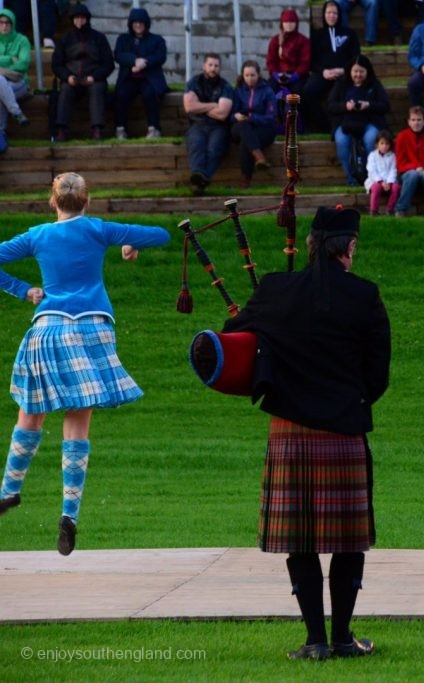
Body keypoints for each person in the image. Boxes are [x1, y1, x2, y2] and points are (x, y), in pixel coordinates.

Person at [221, 206, 390, 660]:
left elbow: (232, 338)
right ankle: (342, 638)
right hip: (343, 428)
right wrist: (347, 403)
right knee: (347, 538)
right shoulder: (365, 295)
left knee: (300, 537)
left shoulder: (275, 289)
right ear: (349, 247)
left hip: (290, 431)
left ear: (312, 244)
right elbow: (379, 375)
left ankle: (315, 641)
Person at [0, 172, 170, 555]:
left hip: (48, 329)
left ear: (52, 202)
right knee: (77, 424)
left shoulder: (38, 235)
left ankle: (9, 491)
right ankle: (69, 516)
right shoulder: (98, 229)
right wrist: (127, 241)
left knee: (30, 414)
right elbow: (161, 235)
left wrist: (23, 289)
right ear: (87, 201)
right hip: (93, 329)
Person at [51, 3, 113, 141]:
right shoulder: (65, 39)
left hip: (94, 78)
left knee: (97, 90)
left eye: (82, 18)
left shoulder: (99, 38)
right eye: (76, 18)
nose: (80, 21)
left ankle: (97, 129)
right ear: (72, 20)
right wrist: (67, 77)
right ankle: (62, 129)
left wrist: (94, 76)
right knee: (65, 90)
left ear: (87, 19)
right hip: (72, 79)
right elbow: (57, 64)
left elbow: (108, 63)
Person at [327, 53, 390, 186]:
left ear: (368, 71)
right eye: (355, 71)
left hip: (370, 121)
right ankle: (351, 178)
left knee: (370, 140)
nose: (358, 75)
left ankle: (371, 176)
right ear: (350, 71)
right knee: (341, 140)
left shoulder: (374, 84)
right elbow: (331, 105)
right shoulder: (341, 84)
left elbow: (385, 105)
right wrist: (345, 106)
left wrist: (368, 105)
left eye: (361, 71)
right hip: (345, 122)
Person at [303, 1, 360, 133]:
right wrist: (323, 72)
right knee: (307, 91)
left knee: (336, 95)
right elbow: (311, 61)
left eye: (335, 13)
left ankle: (340, 125)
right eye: (329, 12)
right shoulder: (317, 35)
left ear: (339, 15)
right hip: (323, 73)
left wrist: (344, 70)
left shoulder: (349, 34)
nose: (332, 16)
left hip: (344, 74)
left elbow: (356, 56)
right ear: (324, 14)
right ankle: (323, 127)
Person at [112, 8, 168, 140]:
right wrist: (134, 61)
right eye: (135, 22)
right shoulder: (123, 39)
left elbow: (161, 56)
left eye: (141, 22)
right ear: (131, 24)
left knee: (150, 94)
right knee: (121, 94)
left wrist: (145, 63)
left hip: (149, 79)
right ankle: (121, 128)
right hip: (129, 78)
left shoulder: (157, 39)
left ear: (146, 24)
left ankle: (154, 128)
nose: (138, 25)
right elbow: (118, 55)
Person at [183, 53, 234, 195]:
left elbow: (222, 113)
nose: (213, 68)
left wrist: (200, 106)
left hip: (219, 126)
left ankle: (199, 181)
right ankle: (200, 178)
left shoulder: (226, 86)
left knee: (215, 148)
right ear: (204, 66)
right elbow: (189, 107)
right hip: (197, 124)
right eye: (210, 65)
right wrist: (213, 105)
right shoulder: (193, 82)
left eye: (216, 66)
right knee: (196, 145)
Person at [231, 60, 277, 189]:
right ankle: (259, 156)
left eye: (253, 75)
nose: (250, 78)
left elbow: (271, 116)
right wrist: (235, 116)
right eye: (247, 75)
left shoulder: (267, 91)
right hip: (240, 127)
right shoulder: (238, 91)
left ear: (258, 75)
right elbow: (230, 113)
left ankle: (245, 177)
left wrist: (251, 118)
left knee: (246, 141)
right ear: (242, 75)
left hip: (263, 128)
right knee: (244, 128)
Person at [394, 105, 424, 217]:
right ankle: (401, 209)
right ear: (408, 122)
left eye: (419, 120)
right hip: (408, 172)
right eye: (413, 120)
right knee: (412, 175)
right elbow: (401, 163)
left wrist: (423, 167)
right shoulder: (402, 137)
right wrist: (417, 167)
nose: (416, 123)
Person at [267, 8, 312, 122]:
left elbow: (305, 62)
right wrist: (276, 75)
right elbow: (271, 61)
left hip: (297, 76)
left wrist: (295, 76)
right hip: (279, 75)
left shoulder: (303, 41)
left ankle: (299, 122)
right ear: (282, 23)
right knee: (270, 90)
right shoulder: (275, 40)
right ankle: (274, 120)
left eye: (292, 22)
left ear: (296, 23)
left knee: (299, 92)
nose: (289, 24)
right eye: (286, 22)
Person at [0, 9, 31, 131]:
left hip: (19, 81)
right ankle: (17, 113)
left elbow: (23, 64)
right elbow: (17, 62)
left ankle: (1, 132)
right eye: (1, 22)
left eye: (8, 22)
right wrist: (9, 59)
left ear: (13, 24)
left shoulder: (22, 40)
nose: (4, 25)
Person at [365, 129, 400, 215]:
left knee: (396, 187)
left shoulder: (393, 156)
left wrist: (388, 182)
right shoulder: (372, 155)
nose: (384, 146)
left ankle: (390, 209)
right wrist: (381, 182)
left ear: (390, 145)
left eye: (387, 144)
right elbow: (371, 170)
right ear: (377, 144)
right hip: (375, 181)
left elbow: (393, 170)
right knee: (376, 187)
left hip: (389, 182)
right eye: (382, 143)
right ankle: (374, 210)